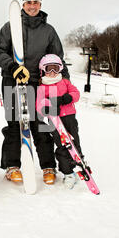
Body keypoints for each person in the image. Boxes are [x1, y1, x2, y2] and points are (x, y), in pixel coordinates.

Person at [0, 0, 70, 184]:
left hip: (41, 84)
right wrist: (12, 67)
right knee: (14, 124)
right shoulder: (10, 26)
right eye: (28, 2)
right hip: (13, 80)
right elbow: (0, 52)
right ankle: (12, 166)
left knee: (42, 125)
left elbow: (58, 59)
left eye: (35, 3)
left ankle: (48, 166)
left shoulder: (49, 31)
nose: (32, 6)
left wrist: (66, 86)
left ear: (40, 5)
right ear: (23, 4)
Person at [36, 54, 84, 189]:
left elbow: (76, 93)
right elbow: (38, 106)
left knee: (74, 142)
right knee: (62, 145)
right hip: (55, 121)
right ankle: (68, 173)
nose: (52, 73)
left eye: (55, 69)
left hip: (69, 117)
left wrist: (67, 98)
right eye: (49, 69)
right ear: (43, 70)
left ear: (60, 69)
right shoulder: (42, 87)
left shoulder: (65, 82)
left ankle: (78, 163)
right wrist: (48, 106)